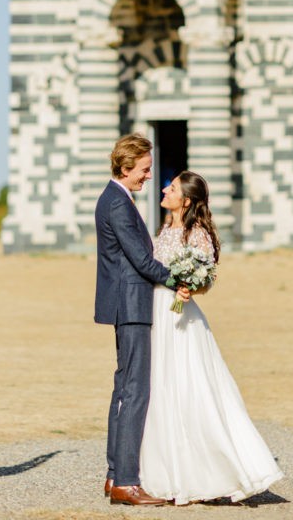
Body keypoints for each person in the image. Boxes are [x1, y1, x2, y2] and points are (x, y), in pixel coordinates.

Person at [140, 171, 284, 505]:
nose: (165, 190)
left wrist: (190, 287)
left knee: (190, 387)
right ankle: (168, 468)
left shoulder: (197, 233)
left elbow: (206, 279)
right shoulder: (165, 229)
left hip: (179, 317)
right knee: (162, 387)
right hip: (157, 313)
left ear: (186, 200)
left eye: (172, 188)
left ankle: (213, 470)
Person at [94, 132, 188, 507]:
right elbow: (141, 260)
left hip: (127, 303)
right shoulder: (117, 202)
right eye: (145, 169)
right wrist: (180, 280)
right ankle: (126, 482)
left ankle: (114, 474)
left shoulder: (115, 198)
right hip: (131, 304)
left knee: (124, 390)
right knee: (135, 391)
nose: (149, 175)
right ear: (126, 166)